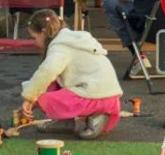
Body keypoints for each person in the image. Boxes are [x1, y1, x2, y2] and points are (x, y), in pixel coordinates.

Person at [20, 9, 123, 140]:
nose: (34, 42)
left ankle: (97, 116)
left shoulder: (60, 47)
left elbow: (47, 71)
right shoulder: (73, 40)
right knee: (52, 83)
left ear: (44, 32)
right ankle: (65, 120)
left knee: (42, 98)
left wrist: (30, 98)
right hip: (107, 97)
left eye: (34, 37)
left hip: (98, 98)